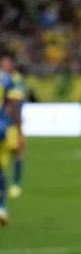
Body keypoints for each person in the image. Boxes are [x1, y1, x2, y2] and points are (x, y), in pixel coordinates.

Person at [0, 54, 25, 199]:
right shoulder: (5, 79)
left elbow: (15, 104)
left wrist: (20, 128)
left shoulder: (16, 79)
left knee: (16, 152)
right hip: (4, 124)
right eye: (4, 62)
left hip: (11, 124)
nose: (6, 65)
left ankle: (16, 183)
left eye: (8, 63)